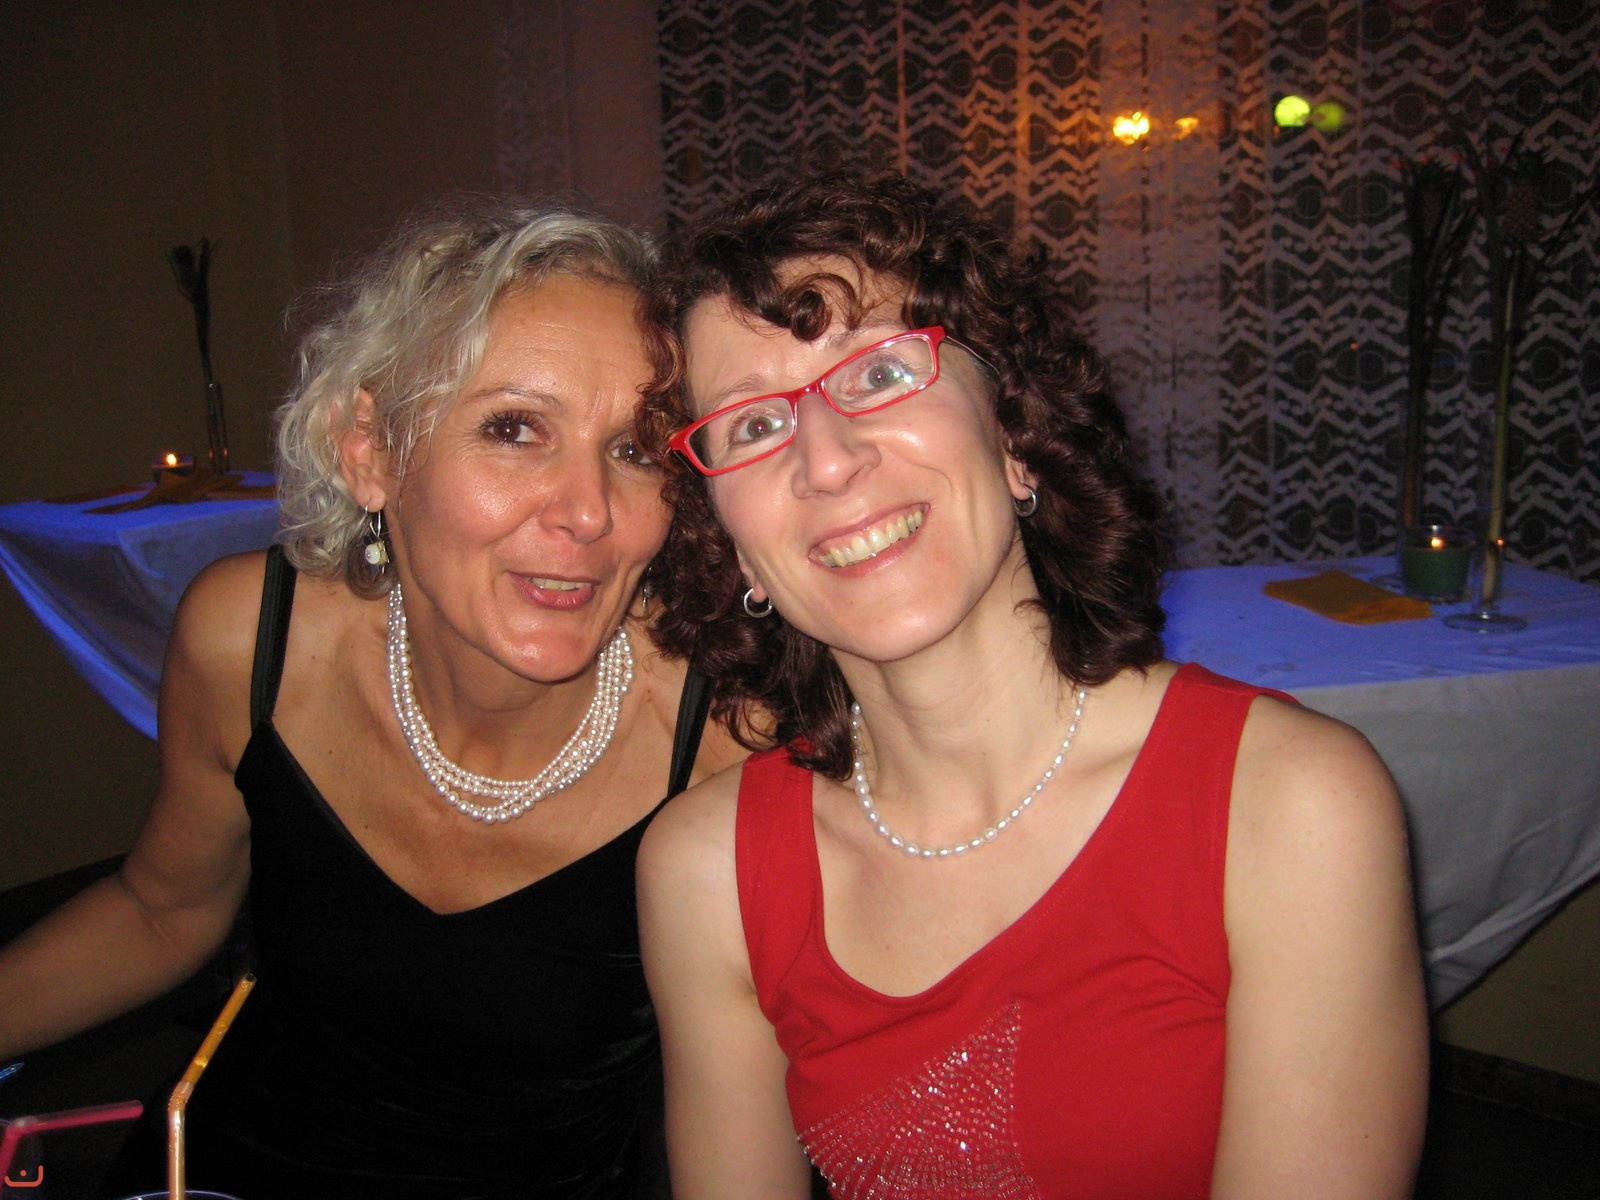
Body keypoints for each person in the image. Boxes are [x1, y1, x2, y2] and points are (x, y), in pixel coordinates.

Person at [634, 173, 1429, 1199]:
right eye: (751, 426)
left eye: (879, 373)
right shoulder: (706, 874)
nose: (825, 462)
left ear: (1013, 435)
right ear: (731, 541)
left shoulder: (1287, 807)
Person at [0, 199, 747, 1198]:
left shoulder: (723, 730)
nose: (587, 512)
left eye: (635, 448)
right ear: (371, 452)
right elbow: (159, 909)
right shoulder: (251, 642)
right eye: (514, 429)